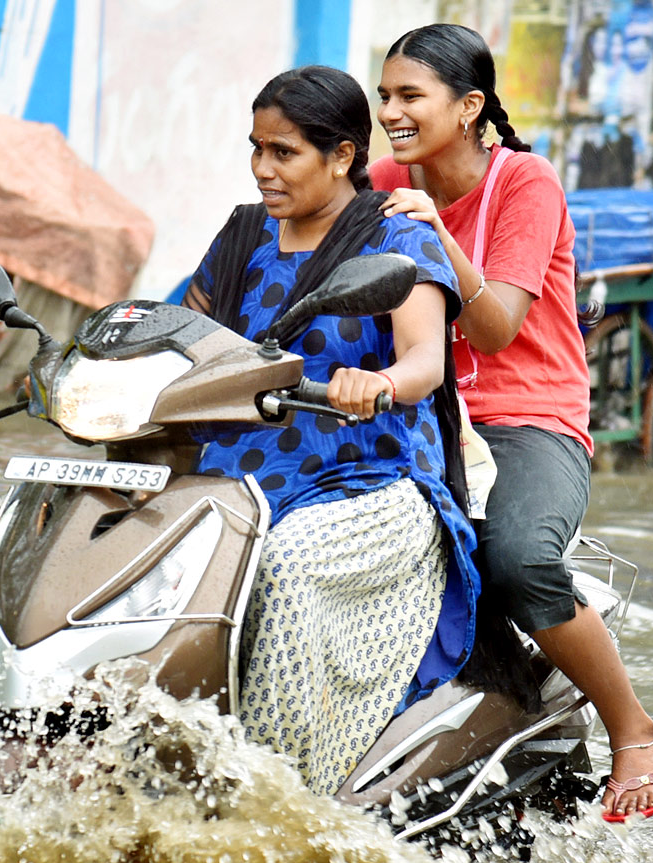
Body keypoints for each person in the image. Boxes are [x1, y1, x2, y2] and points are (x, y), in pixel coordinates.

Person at [371, 23, 653, 822]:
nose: (392, 113)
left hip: (525, 418)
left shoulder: (524, 183)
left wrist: (434, 231)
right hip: (417, 412)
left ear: (469, 107)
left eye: (411, 96)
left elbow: (499, 326)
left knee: (514, 557)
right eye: (385, 98)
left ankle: (633, 729)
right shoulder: (378, 183)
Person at [182, 65, 479, 795]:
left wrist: (377, 383)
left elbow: (424, 362)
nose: (262, 169)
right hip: (237, 477)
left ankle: (275, 788)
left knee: (279, 564)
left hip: (368, 482)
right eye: (256, 149)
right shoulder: (243, 232)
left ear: (342, 156)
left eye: (283, 153)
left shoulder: (396, 233)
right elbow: (185, 333)